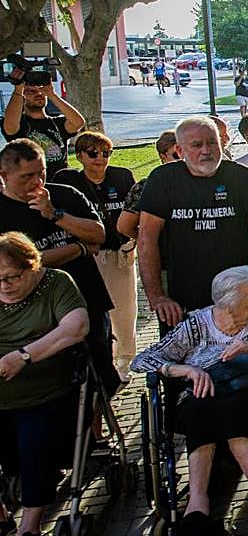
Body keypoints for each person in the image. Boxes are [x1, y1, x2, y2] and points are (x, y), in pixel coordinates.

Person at [130, 266, 248, 536]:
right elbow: (142, 360)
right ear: (227, 305)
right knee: (205, 407)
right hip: (202, 400)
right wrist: (186, 371)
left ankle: (202, 506)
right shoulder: (196, 325)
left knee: (229, 406)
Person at [0, 232, 91, 536]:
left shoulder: (55, 284)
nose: (5, 286)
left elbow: (76, 326)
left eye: (12, 277)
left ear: (32, 267)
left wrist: (25, 355)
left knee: (33, 444)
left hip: (48, 392)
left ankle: (30, 530)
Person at [136, 117, 248, 329]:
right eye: (196, 145)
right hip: (182, 299)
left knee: (241, 358)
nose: (206, 150)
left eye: (212, 142)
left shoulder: (239, 175)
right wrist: (156, 296)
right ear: (180, 150)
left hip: (237, 296)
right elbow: (147, 238)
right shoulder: (163, 179)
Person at [0, 140, 117, 395]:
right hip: (33, 315)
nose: (37, 181)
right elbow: (22, 264)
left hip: (89, 299)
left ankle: (95, 434)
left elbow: (99, 235)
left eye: (41, 172)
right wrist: (78, 249)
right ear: (4, 176)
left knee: (99, 381)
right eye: (27, 176)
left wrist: (54, 214)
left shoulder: (65, 195)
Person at [55, 132, 138, 372]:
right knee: (97, 309)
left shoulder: (122, 178)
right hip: (88, 254)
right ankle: (105, 358)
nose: (100, 158)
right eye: (93, 153)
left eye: (105, 153)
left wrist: (131, 242)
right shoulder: (70, 184)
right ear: (80, 156)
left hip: (119, 253)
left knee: (124, 308)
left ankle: (125, 358)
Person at [1, 70, 85, 179]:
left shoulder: (57, 123)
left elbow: (78, 123)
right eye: (31, 91)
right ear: (23, 96)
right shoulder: (19, 123)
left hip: (61, 182)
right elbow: (10, 127)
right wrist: (18, 89)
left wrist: (52, 95)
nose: (38, 94)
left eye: (41, 90)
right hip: (31, 183)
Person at [116, 131, 177, 241]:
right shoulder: (145, 186)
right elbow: (124, 227)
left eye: (187, 153)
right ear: (163, 157)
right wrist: (151, 242)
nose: (183, 159)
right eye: (176, 155)